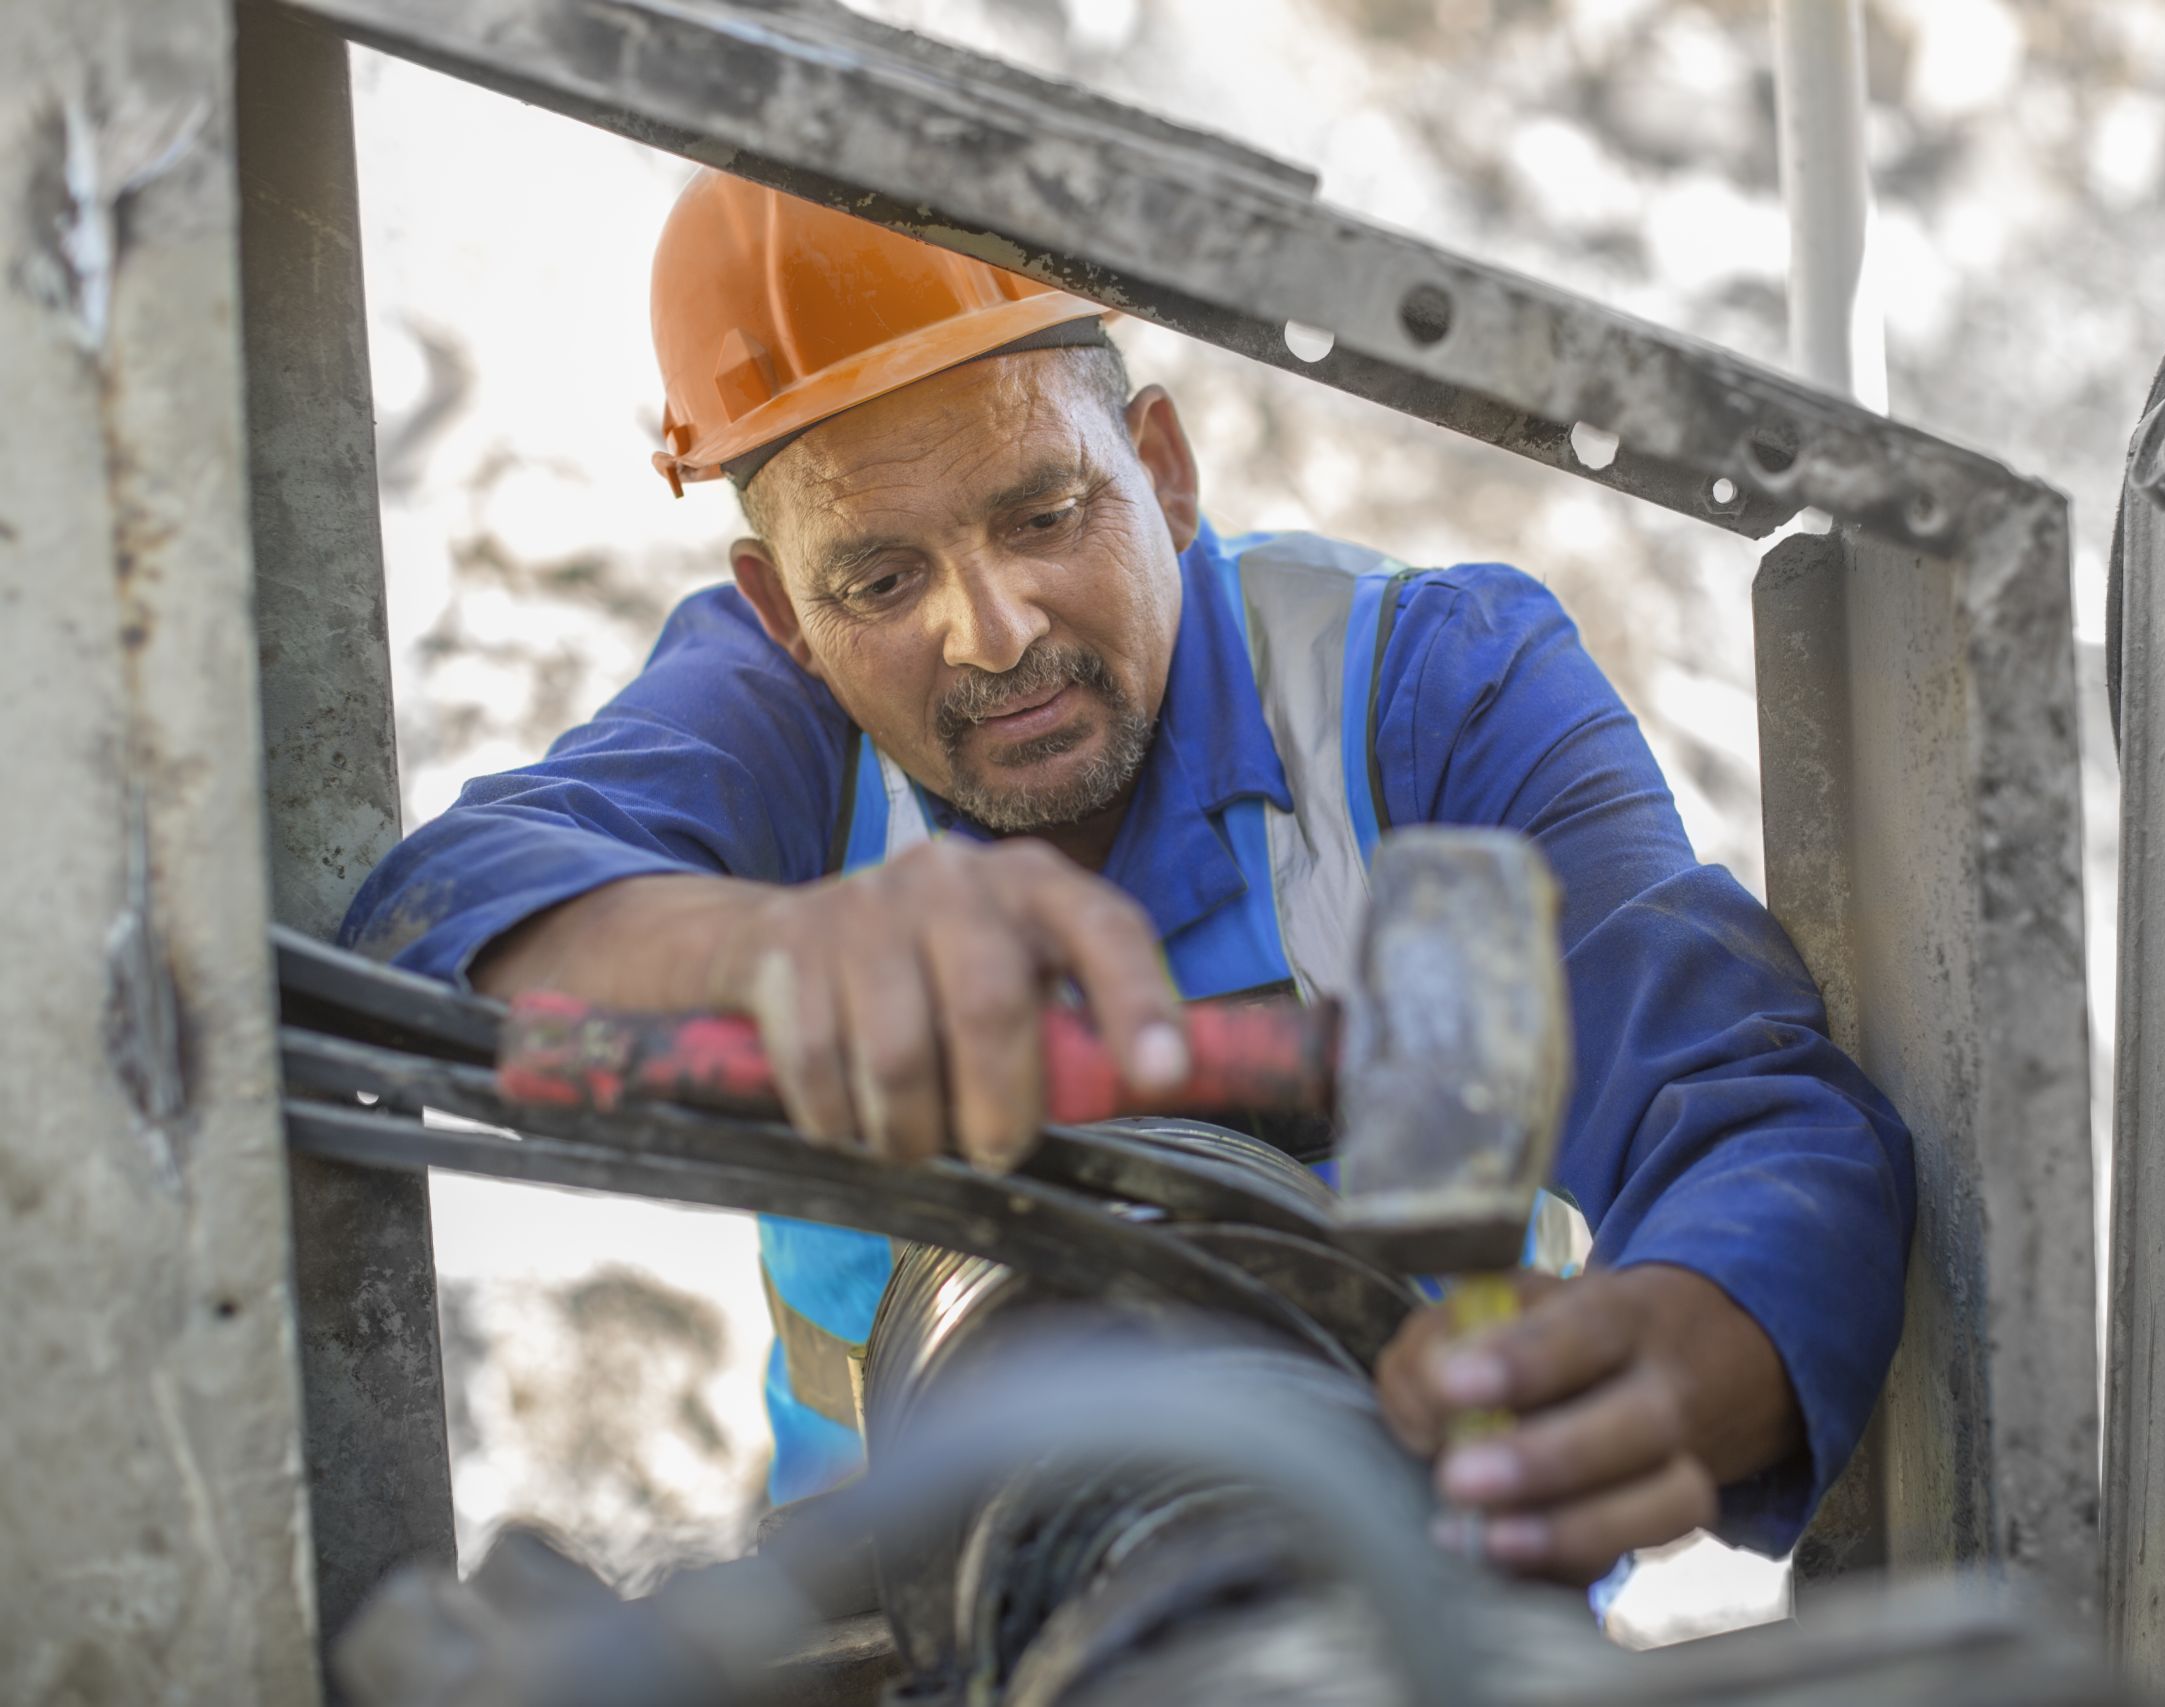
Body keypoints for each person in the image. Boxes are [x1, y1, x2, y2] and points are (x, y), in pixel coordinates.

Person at [344, 171, 1914, 1585]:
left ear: (1160, 469)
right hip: (920, 1613)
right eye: (881, 579)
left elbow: (1741, 1108)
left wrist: (1695, 1339)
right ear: (782, 615)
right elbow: (439, 913)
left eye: (1043, 511)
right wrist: (761, 956)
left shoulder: (1432, 701)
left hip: (1430, 1593)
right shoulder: (777, 732)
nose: (995, 628)